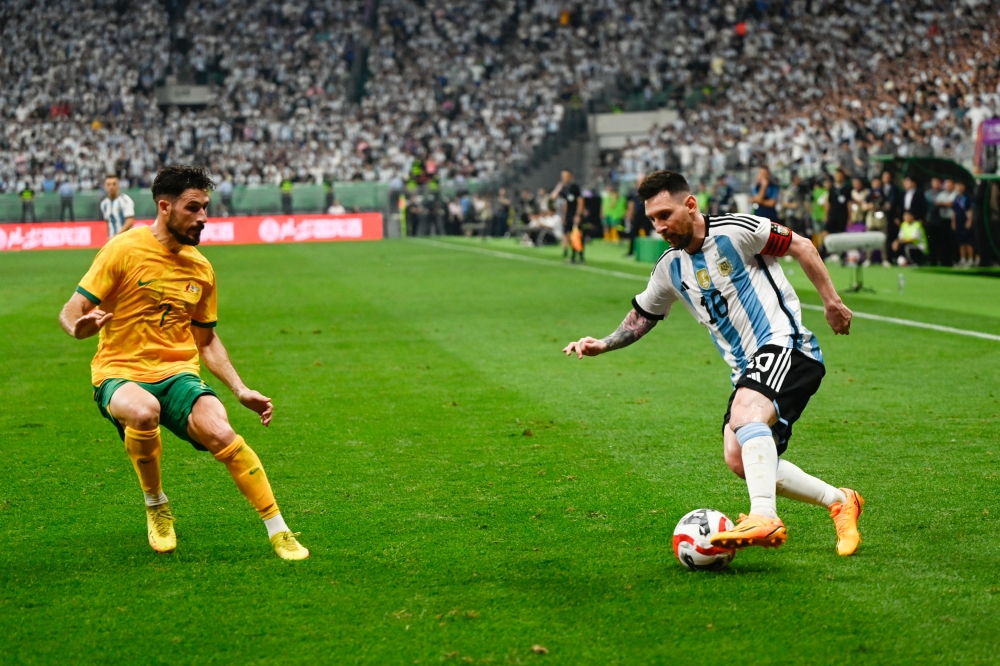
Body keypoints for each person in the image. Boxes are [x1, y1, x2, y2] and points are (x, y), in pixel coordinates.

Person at [563, 169, 863, 557]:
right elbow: (643, 316)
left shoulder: (737, 231)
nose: (659, 226)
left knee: (745, 416)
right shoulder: (670, 268)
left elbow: (802, 245)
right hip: (747, 369)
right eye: (653, 219)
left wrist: (831, 301)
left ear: (690, 205)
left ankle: (764, 516)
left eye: (665, 214)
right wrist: (602, 344)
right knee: (738, 457)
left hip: (786, 345)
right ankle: (840, 500)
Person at [56, 165, 308, 561]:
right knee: (143, 412)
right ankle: (156, 504)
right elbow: (72, 310)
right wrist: (79, 328)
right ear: (164, 207)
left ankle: (279, 530)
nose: (203, 217)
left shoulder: (201, 268)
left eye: (206, 207)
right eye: (193, 208)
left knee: (221, 432)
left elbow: (205, 340)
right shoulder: (123, 249)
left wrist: (240, 389)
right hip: (119, 372)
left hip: (177, 373)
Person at [550, 170, 583, 260]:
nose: (564, 178)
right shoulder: (564, 188)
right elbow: (553, 197)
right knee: (566, 233)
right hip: (568, 215)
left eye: (566, 176)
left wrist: (578, 215)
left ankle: (580, 255)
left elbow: (580, 201)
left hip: (575, 214)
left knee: (576, 234)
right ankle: (568, 253)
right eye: (563, 176)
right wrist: (558, 187)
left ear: (570, 176)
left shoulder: (575, 187)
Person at [99, 175, 135, 239]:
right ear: (105, 186)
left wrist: (117, 236)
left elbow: (130, 221)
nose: (111, 187)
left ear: (118, 185)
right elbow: (108, 222)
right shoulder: (104, 204)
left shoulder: (125, 200)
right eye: (108, 184)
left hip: (126, 239)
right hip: (112, 240)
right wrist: (109, 237)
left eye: (114, 184)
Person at [625, 173, 651, 257]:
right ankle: (631, 252)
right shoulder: (634, 190)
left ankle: (647, 252)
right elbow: (631, 204)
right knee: (634, 233)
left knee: (647, 233)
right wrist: (630, 213)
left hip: (647, 213)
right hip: (638, 213)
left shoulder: (649, 190)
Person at [952, 181, 975, 267]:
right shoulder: (956, 197)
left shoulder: (968, 196)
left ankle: (971, 259)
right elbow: (954, 211)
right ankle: (963, 259)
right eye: (957, 186)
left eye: (961, 185)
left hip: (965, 221)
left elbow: (970, 210)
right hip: (958, 221)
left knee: (968, 241)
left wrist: (969, 221)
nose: (959, 188)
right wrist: (953, 222)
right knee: (961, 242)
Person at [826, 168, 851, 235]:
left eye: (840, 176)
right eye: (837, 176)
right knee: (827, 231)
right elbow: (828, 203)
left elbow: (849, 204)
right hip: (833, 214)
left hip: (843, 215)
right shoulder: (831, 189)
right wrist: (826, 215)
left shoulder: (847, 189)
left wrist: (849, 218)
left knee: (841, 233)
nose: (838, 177)